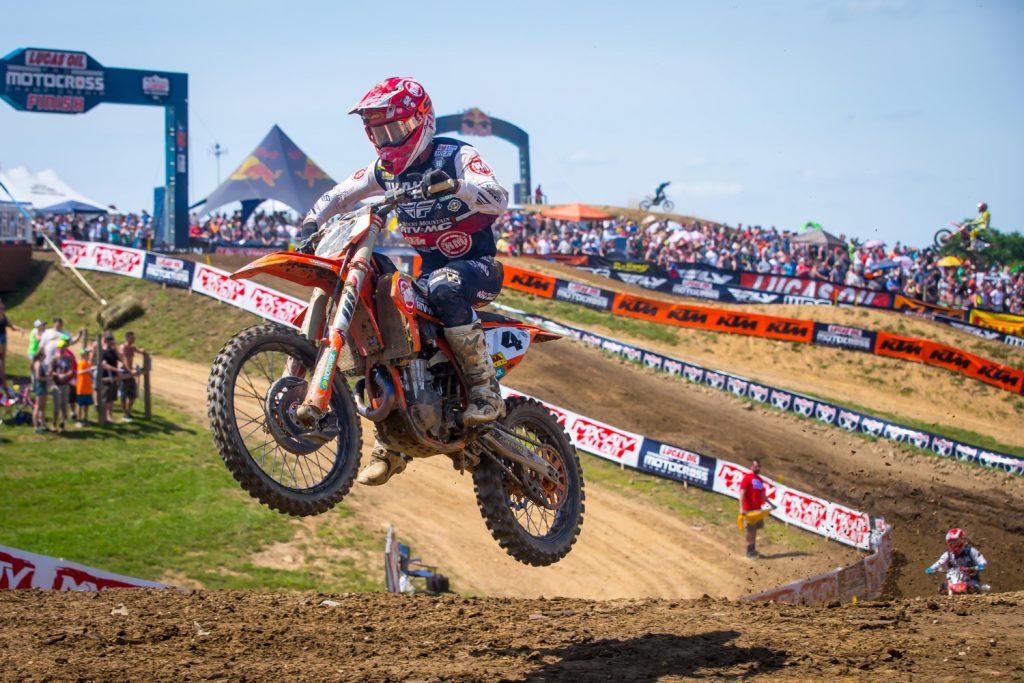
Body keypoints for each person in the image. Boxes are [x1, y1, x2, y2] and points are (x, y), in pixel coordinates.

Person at [299, 77, 509, 486]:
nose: (388, 140)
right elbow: (338, 196)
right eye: (379, 132)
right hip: (428, 275)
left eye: (395, 129)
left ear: (422, 121)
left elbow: (498, 197)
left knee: (444, 285)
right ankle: (393, 436)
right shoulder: (384, 170)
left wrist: (458, 185)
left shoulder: (455, 155)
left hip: (476, 267)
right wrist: (311, 222)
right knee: (379, 295)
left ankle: (485, 390)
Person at [926, 527, 988, 593]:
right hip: (954, 579)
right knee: (941, 589)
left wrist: (979, 566)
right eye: (950, 541)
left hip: (970, 579)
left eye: (955, 541)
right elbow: (940, 562)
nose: (952, 543)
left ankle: (971, 589)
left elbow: (982, 560)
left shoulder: (970, 550)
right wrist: (932, 568)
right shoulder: (949, 553)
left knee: (972, 588)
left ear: (961, 540)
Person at [738, 458, 775, 558]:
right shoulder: (747, 478)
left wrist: (771, 504)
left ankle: (753, 548)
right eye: (756, 466)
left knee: (754, 530)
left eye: (759, 466)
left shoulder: (759, 480)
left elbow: (763, 495)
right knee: (750, 530)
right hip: (749, 510)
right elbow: (742, 493)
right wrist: (741, 508)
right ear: (751, 467)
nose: (758, 468)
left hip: (757, 509)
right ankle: (749, 550)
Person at [118, 331, 146, 422]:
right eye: (131, 338)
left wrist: (143, 351)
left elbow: (139, 350)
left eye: (134, 338)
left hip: (130, 372)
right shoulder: (123, 347)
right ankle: (125, 413)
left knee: (133, 394)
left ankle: (128, 411)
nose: (133, 339)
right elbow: (124, 360)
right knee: (123, 395)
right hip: (124, 372)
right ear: (126, 338)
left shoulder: (132, 347)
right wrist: (130, 371)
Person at [49, 339, 75, 432]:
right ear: (58, 348)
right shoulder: (54, 359)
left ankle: (62, 424)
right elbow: (51, 371)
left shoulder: (68, 359)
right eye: (60, 347)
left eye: (64, 347)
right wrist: (58, 375)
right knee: (57, 406)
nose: (62, 349)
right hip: (56, 385)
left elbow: (71, 370)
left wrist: (66, 375)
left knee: (64, 406)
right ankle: (54, 424)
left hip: (66, 384)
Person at [99, 333, 125, 424]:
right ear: (106, 341)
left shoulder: (113, 351)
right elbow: (104, 365)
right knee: (105, 399)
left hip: (113, 378)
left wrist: (116, 348)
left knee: (111, 399)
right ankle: (103, 418)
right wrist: (116, 370)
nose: (112, 342)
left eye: (112, 340)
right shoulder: (102, 352)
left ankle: (109, 417)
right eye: (110, 340)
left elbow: (120, 359)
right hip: (105, 377)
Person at [0, 299, 21, 389]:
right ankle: (2, 377)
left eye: (3, 308)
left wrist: (18, 328)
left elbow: (11, 326)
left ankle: (3, 375)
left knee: (3, 358)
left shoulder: (4, 317)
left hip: (3, 338)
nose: (3, 309)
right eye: (1, 308)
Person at [75, 345, 95, 426]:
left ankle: (85, 419)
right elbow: (79, 372)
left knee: (86, 405)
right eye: (87, 354)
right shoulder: (81, 363)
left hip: (88, 387)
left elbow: (90, 374)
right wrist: (88, 370)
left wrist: (91, 373)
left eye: (89, 354)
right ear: (83, 355)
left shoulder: (88, 363)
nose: (89, 355)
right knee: (80, 405)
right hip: (81, 387)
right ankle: (78, 420)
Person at [30, 350, 49, 433]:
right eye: (44, 355)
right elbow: (38, 377)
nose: (45, 357)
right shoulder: (38, 364)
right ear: (40, 356)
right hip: (39, 387)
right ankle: (36, 426)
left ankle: (43, 424)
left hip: (43, 386)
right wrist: (46, 379)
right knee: (38, 406)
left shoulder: (40, 363)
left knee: (43, 406)